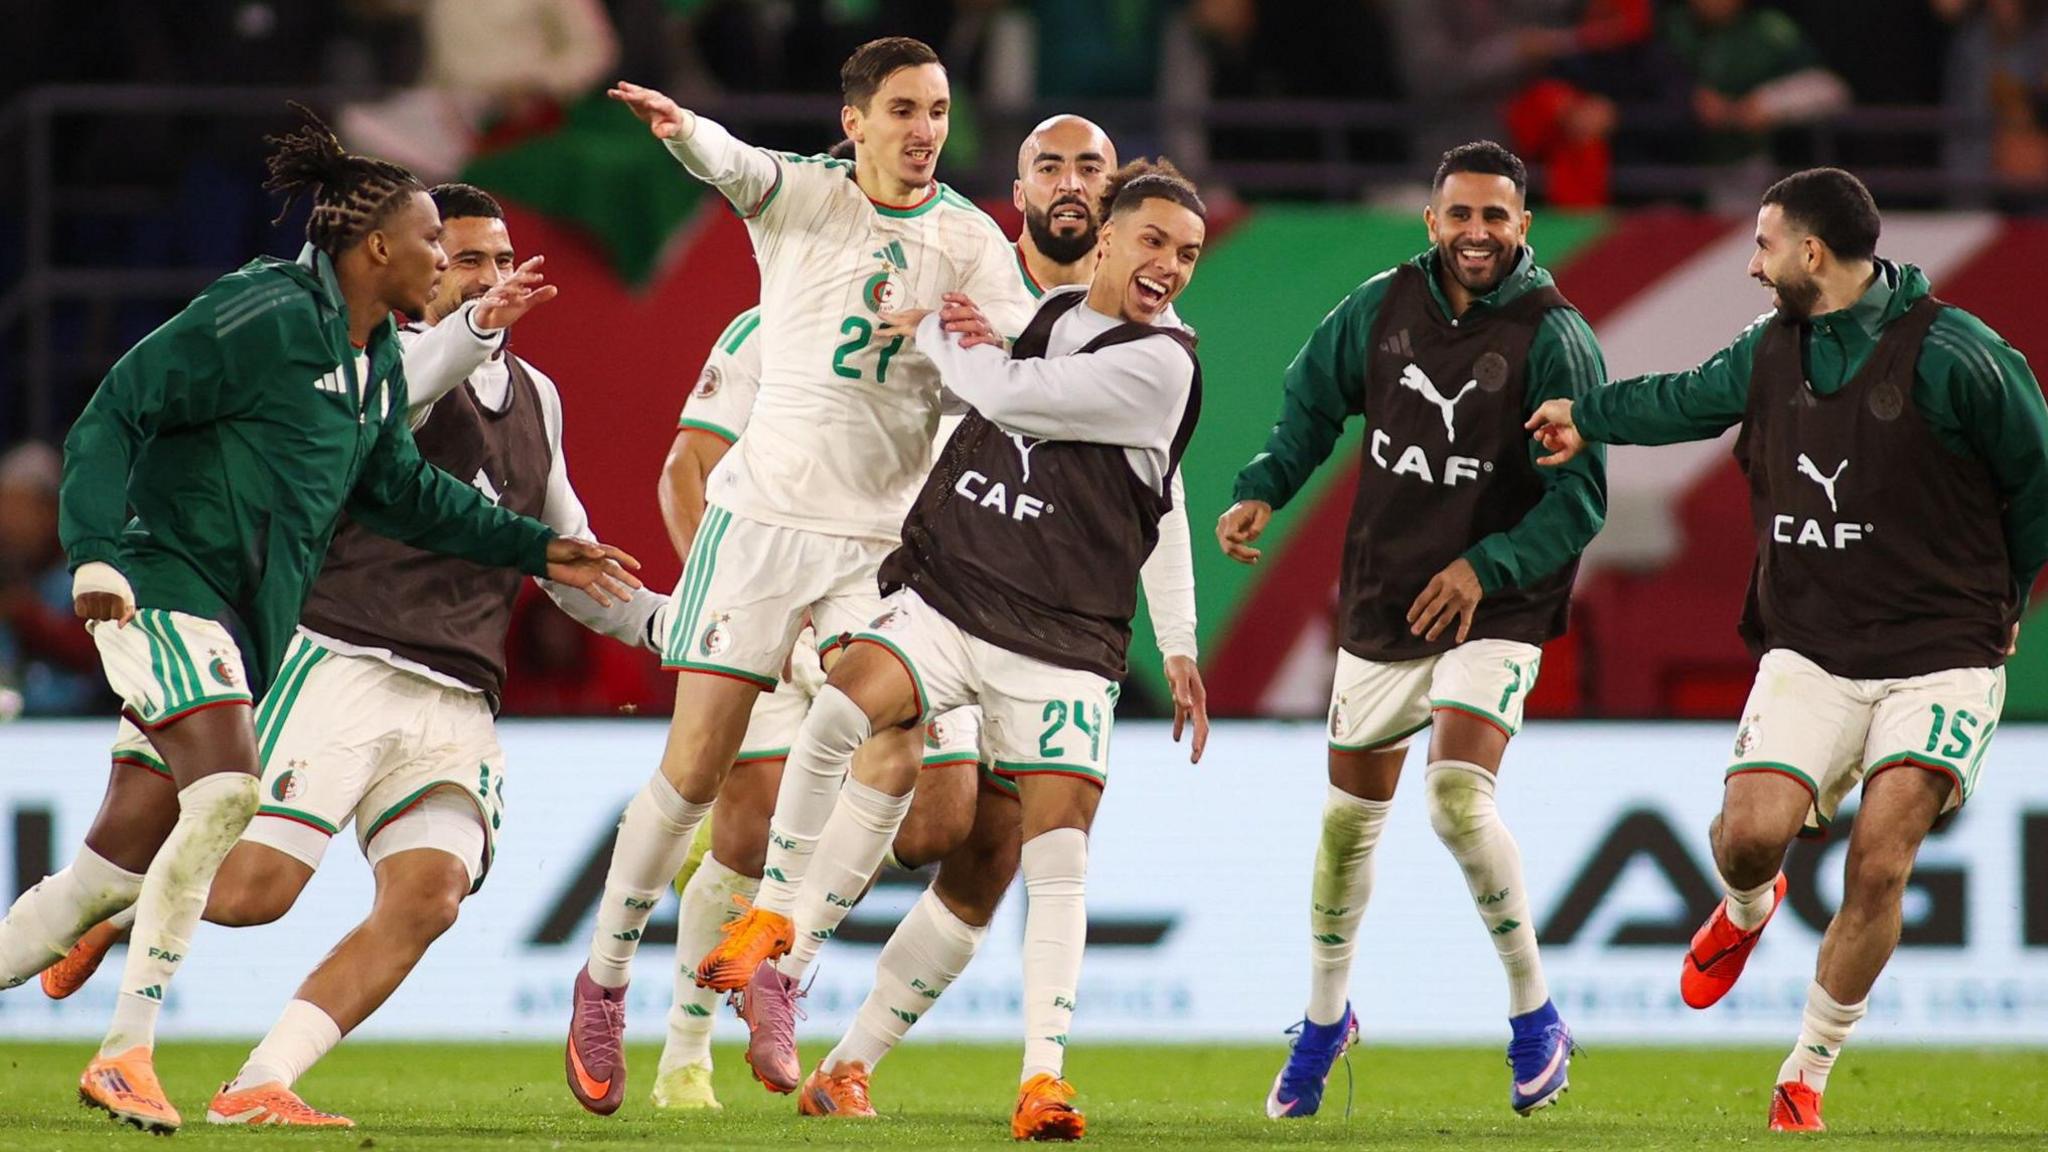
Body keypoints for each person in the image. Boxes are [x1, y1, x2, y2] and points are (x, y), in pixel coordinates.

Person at [0, 108, 637, 1135]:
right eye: (435, 242)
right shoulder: (262, 310)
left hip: (256, 628)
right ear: (377, 248)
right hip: (164, 583)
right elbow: (118, 408)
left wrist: (535, 547)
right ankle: (124, 1056)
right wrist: (96, 552)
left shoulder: (369, 359)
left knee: (106, 878)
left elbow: (401, 491)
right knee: (226, 809)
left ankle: (162, 980)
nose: (445, 263)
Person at [565, 37, 1038, 1116]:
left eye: (938, 110)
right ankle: (602, 983)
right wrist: (685, 131)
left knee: (895, 735)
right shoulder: (806, 199)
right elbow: (738, 165)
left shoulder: (969, 239)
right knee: (694, 773)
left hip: (878, 546)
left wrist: (991, 344)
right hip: (761, 525)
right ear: (854, 122)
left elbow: (1026, 361)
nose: (925, 130)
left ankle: (780, 955)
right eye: (903, 110)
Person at [1526, 166, 2048, 1133]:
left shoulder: (1960, 356)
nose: (1753, 265)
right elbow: (1683, 399)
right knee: (1747, 837)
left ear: (1812, 252)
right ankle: (1747, 906)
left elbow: (2037, 478)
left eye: (1764, 245)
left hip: (1942, 654)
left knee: (1880, 862)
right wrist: (1584, 415)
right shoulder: (1772, 350)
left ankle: (1806, 1071)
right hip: (1811, 649)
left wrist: (2008, 597)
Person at [647, 117, 1141, 1111]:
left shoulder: (1120, 330)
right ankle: (698, 1038)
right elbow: (690, 466)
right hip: (848, 589)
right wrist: (745, 606)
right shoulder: (921, 286)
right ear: (1016, 191)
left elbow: (1140, 491)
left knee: (968, 839)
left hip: (1003, 609)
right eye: (1049, 165)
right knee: (752, 824)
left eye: (1090, 167)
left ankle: (841, 1052)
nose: (1070, 183)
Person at [736, 159, 1209, 1140]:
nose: (1170, 265)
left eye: (1189, 253)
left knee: (1029, 859)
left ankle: (994, 1076)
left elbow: (1025, 407)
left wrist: (1177, 642)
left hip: (1064, 642)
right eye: (1155, 240)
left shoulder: (1163, 363)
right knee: (843, 705)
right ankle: (778, 932)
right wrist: (942, 334)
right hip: (957, 599)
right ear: (1106, 238)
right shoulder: (1041, 316)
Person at [1216, 140, 1606, 1119]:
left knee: (1456, 801)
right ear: (1430, 221)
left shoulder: (1554, 337)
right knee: (1346, 828)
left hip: (1495, 604)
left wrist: (1485, 566)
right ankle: (1324, 1020)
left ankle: (1534, 1016)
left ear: (1522, 225)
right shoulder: (1379, 307)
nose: (1476, 232)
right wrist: (1264, 486)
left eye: (1495, 216)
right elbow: (1310, 405)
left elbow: (1580, 501)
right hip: (1386, 598)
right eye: (1459, 214)